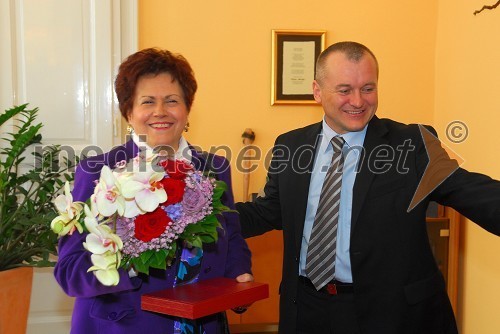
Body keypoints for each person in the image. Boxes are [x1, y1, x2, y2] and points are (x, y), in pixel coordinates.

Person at [235, 41, 500, 334]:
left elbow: (470, 190)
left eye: (368, 88)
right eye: (345, 90)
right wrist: (199, 216)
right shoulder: (290, 146)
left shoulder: (410, 143)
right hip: (307, 309)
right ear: (317, 91)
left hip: (391, 314)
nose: (359, 101)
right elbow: (269, 210)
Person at [54, 48, 253, 334]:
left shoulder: (214, 167)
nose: (160, 112)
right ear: (129, 112)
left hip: (203, 323)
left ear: (187, 109)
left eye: (172, 101)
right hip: (124, 325)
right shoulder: (98, 172)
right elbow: (69, 272)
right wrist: (134, 259)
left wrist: (239, 276)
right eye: (147, 102)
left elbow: (231, 235)